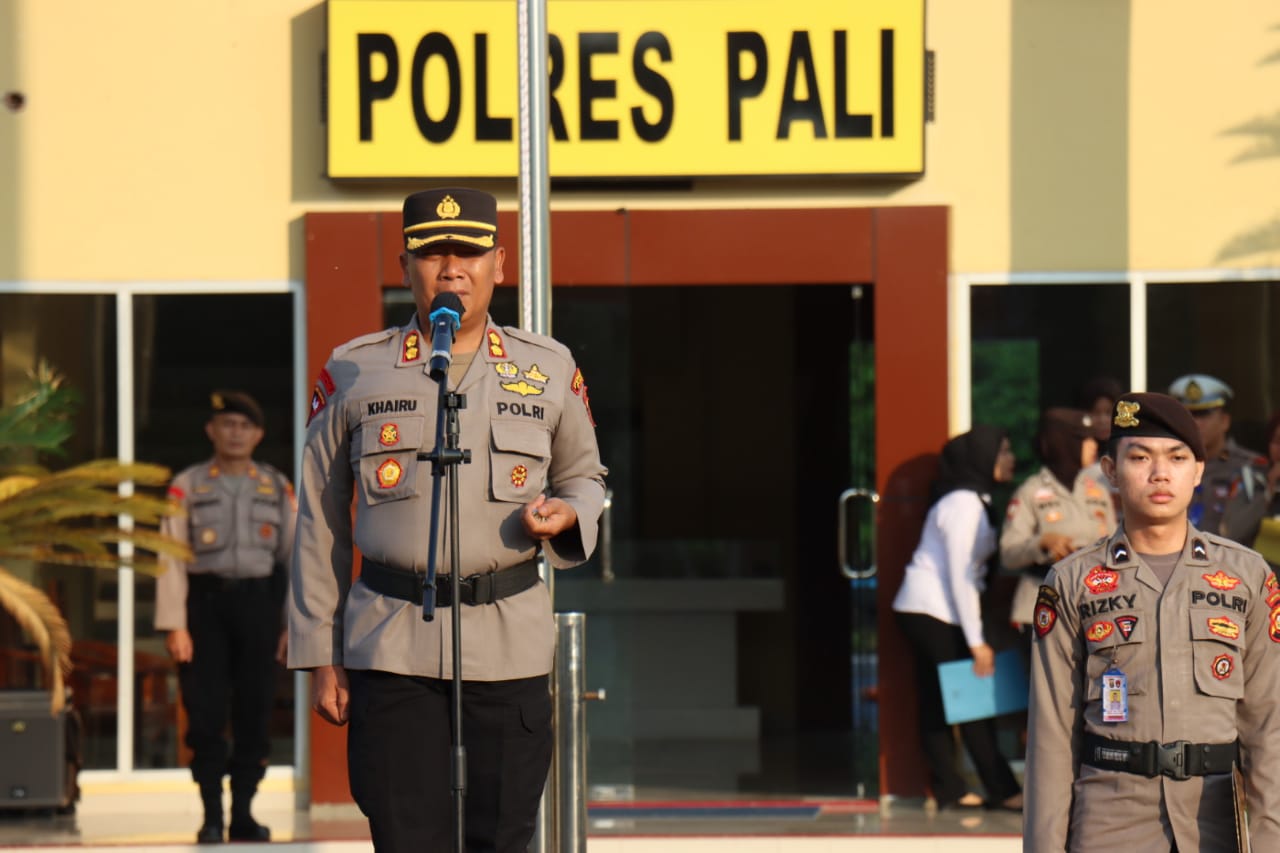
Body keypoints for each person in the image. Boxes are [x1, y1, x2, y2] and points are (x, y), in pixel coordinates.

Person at [288, 187, 607, 853]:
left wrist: (568, 512)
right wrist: (321, 652)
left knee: (503, 835)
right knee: (407, 837)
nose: (452, 267)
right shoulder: (355, 369)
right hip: (392, 646)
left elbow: (585, 475)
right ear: (405, 265)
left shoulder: (547, 367)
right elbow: (318, 517)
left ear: (499, 263)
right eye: (433, 252)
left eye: (469, 252)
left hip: (509, 644)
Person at [1025, 391, 1280, 851]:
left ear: (1198, 470)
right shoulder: (1072, 581)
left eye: (1177, 458)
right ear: (1110, 471)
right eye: (1140, 457)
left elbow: (1268, 726)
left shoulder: (1246, 577)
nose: (1160, 473)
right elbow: (1050, 736)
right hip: (1110, 817)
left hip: (1214, 818)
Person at [156, 390, 295, 844]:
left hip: (259, 607)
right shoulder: (188, 485)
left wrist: (293, 624)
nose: (235, 433)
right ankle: (211, 815)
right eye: (227, 424)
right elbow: (170, 557)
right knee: (205, 713)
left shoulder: (275, 486)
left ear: (258, 435)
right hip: (205, 610)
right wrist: (175, 623)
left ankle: (244, 814)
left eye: (244, 426)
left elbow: (295, 558)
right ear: (211, 431)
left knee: (255, 712)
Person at [892, 424, 1023, 813]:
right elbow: (962, 576)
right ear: (982, 460)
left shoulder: (972, 500)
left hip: (930, 610)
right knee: (973, 700)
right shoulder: (963, 505)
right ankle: (1002, 790)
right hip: (932, 610)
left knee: (938, 701)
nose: (1010, 459)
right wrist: (976, 642)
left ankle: (949, 789)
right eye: (1003, 451)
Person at [1002, 408, 1116, 634]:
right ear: (1064, 443)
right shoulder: (1030, 492)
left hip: (1093, 608)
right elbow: (1008, 555)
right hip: (1042, 607)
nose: (1094, 444)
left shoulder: (1098, 491)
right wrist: (1041, 543)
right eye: (1084, 439)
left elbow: (1116, 545)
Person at [1168, 373, 1268, 546]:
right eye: (1188, 415)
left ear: (1225, 421)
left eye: (1203, 415)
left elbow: (1236, 530)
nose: (1195, 423)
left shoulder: (1248, 467)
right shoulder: (1165, 464)